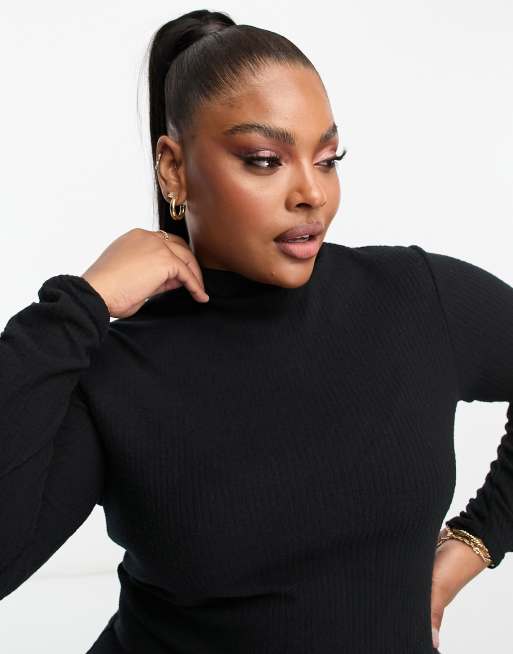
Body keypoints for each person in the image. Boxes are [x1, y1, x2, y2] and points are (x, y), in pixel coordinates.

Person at [1, 8, 512, 653]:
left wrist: (475, 542)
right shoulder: (116, 375)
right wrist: (77, 305)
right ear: (173, 168)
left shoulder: (414, 298)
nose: (312, 194)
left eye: (327, 159)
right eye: (266, 160)